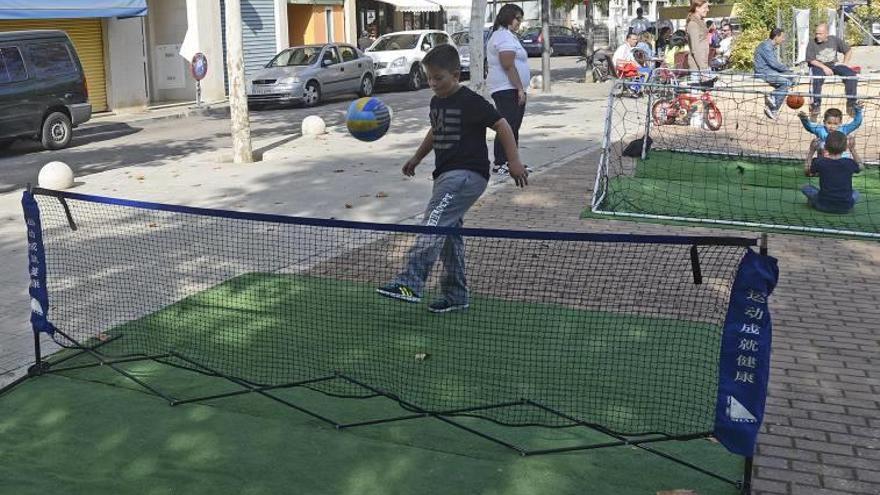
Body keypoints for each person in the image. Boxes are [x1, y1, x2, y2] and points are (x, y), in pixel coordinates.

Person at [376, 44, 528, 313]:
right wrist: (416, 158)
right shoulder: (437, 101)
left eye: (438, 78)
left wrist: (513, 161)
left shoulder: (470, 101)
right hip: (445, 175)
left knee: (432, 222)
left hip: (466, 175)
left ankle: (411, 281)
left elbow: (502, 125)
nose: (433, 84)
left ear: (456, 74)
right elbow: (436, 131)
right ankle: (456, 294)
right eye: (429, 78)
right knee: (448, 235)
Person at [486, 4, 531, 176]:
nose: (519, 22)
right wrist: (519, 88)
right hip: (506, 88)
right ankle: (500, 162)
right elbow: (507, 64)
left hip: (512, 88)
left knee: (514, 126)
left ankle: (513, 162)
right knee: (507, 126)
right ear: (507, 17)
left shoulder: (509, 36)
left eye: (520, 19)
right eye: (517, 18)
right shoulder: (503, 36)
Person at [801, 130, 863, 214]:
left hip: (822, 205)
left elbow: (807, 171)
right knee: (856, 193)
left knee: (805, 187)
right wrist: (852, 149)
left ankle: (813, 202)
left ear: (825, 147)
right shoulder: (849, 163)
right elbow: (861, 167)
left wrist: (811, 151)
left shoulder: (820, 162)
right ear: (845, 148)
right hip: (845, 207)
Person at [806, 23, 858, 121]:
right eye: (816, 33)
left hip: (833, 65)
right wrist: (824, 67)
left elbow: (848, 50)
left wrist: (845, 63)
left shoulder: (834, 40)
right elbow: (811, 60)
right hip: (818, 66)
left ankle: (851, 104)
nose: (817, 36)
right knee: (817, 78)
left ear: (827, 34)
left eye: (820, 34)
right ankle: (816, 105)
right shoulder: (812, 43)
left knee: (851, 75)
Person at [798, 103, 863, 162]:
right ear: (824, 122)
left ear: (840, 123)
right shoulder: (820, 130)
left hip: (842, 160)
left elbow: (856, 123)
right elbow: (809, 127)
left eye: (835, 124)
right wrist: (804, 119)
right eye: (829, 123)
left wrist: (858, 111)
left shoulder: (844, 129)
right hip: (824, 160)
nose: (831, 126)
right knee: (819, 143)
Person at [754, 28, 794, 120]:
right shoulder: (766, 46)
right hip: (763, 72)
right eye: (782, 37)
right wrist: (787, 69)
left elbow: (775, 65)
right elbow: (774, 64)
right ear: (776, 37)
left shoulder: (772, 46)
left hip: (770, 71)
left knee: (793, 78)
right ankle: (773, 105)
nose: (783, 39)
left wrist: (789, 72)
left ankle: (774, 101)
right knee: (786, 83)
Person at [686, 0, 711, 80]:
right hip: (697, 67)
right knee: (696, 92)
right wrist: (703, 70)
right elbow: (695, 49)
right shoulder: (693, 24)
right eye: (705, 7)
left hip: (702, 65)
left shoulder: (700, 23)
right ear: (697, 8)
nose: (708, 10)